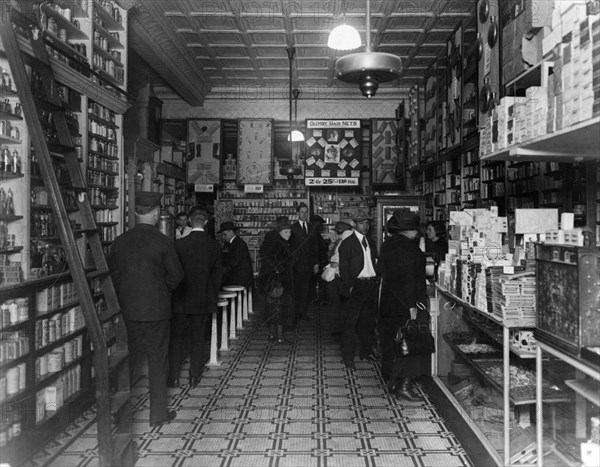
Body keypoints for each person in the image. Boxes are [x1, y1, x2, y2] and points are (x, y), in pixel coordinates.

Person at [108, 191, 184, 427]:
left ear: (136, 213)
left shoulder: (120, 241)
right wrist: (163, 291)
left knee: (126, 364)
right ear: (156, 212)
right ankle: (158, 415)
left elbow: (114, 276)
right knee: (158, 363)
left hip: (128, 312)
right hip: (157, 313)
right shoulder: (162, 241)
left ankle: (120, 418)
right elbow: (177, 276)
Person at [378, 211, 429, 401]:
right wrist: (413, 307)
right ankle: (404, 386)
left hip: (389, 302)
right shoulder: (411, 249)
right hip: (405, 305)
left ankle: (390, 377)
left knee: (391, 341)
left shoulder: (387, 245)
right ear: (411, 230)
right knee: (413, 342)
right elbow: (409, 280)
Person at [170, 206, 223, 388]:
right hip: (202, 299)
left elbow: (172, 273)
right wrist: (211, 293)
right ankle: (194, 377)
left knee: (176, 339)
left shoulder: (178, 244)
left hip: (181, 299)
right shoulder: (214, 245)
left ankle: (173, 377)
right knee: (198, 339)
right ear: (207, 222)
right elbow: (218, 276)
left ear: (190, 221)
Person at [337, 210, 378, 369]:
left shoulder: (371, 242)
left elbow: (374, 262)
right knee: (350, 324)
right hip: (356, 285)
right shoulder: (348, 243)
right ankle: (348, 357)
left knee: (368, 322)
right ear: (354, 224)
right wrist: (350, 286)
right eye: (361, 223)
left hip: (371, 284)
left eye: (367, 223)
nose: (365, 226)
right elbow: (343, 268)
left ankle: (365, 352)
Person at [257, 218, 295, 343]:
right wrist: (278, 268)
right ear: (279, 232)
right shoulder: (279, 244)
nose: (288, 235)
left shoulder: (275, 241)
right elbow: (269, 258)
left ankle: (272, 335)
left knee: (271, 307)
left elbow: (264, 255)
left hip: (271, 281)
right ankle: (279, 337)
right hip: (278, 281)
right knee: (280, 307)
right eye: (285, 232)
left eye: (289, 232)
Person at [289, 202, 319, 325]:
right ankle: (294, 314)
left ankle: (302, 312)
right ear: (297, 214)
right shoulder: (293, 228)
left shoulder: (311, 227)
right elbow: (289, 247)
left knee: (306, 290)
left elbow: (315, 247)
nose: (304, 214)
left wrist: (316, 263)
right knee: (296, 290)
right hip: (296, 265)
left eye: (306, 212)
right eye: (302, 212)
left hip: (308, 265)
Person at [324, 220, 354, 336]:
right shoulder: (343, 241)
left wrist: (332, 263)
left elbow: (335, 262)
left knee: (335, 305)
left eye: (337, 232)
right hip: (340, 278)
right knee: (338, 305)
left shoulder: (342, 242)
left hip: (337, 278)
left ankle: (337, 329)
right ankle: (338, 328)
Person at [218, 221, 254, 288]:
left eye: (224, 234)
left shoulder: (238, 244)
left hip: (240, 279)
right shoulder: (236, 242)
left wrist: (220, 261)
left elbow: (233, 262)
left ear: (230, 231)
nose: (223, 237)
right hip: (240, 276)